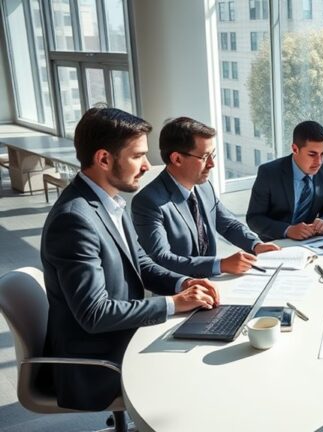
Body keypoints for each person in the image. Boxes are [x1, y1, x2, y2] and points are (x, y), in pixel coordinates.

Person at [40, 107, 220, 410]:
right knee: (202, 376)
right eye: (137, 156)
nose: (148, 166)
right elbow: (94, 314)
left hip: (125, 336)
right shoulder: (74, 220)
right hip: (98, 362)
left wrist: (184, 282)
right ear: (104, 159)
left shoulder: (108, 201)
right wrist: (174, 304)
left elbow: (142, 263)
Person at [132, 117, 279, 278]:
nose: (211, 164)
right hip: (180, 292)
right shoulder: (148, 202)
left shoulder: (203, 186)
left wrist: (256, 245)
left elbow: (228, 224)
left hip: (212, 283)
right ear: (177, 159)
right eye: (204, 157)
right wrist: (221, 264)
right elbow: (161, 260)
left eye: (213, 155)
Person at [246, 120, 323, 241]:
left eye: (322, 154)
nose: (319, 162)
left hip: (312, 241)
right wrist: (288, 230)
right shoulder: (269, 173)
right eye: (312, 154)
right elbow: (254, 218)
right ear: (295, 149)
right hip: (277, 241)